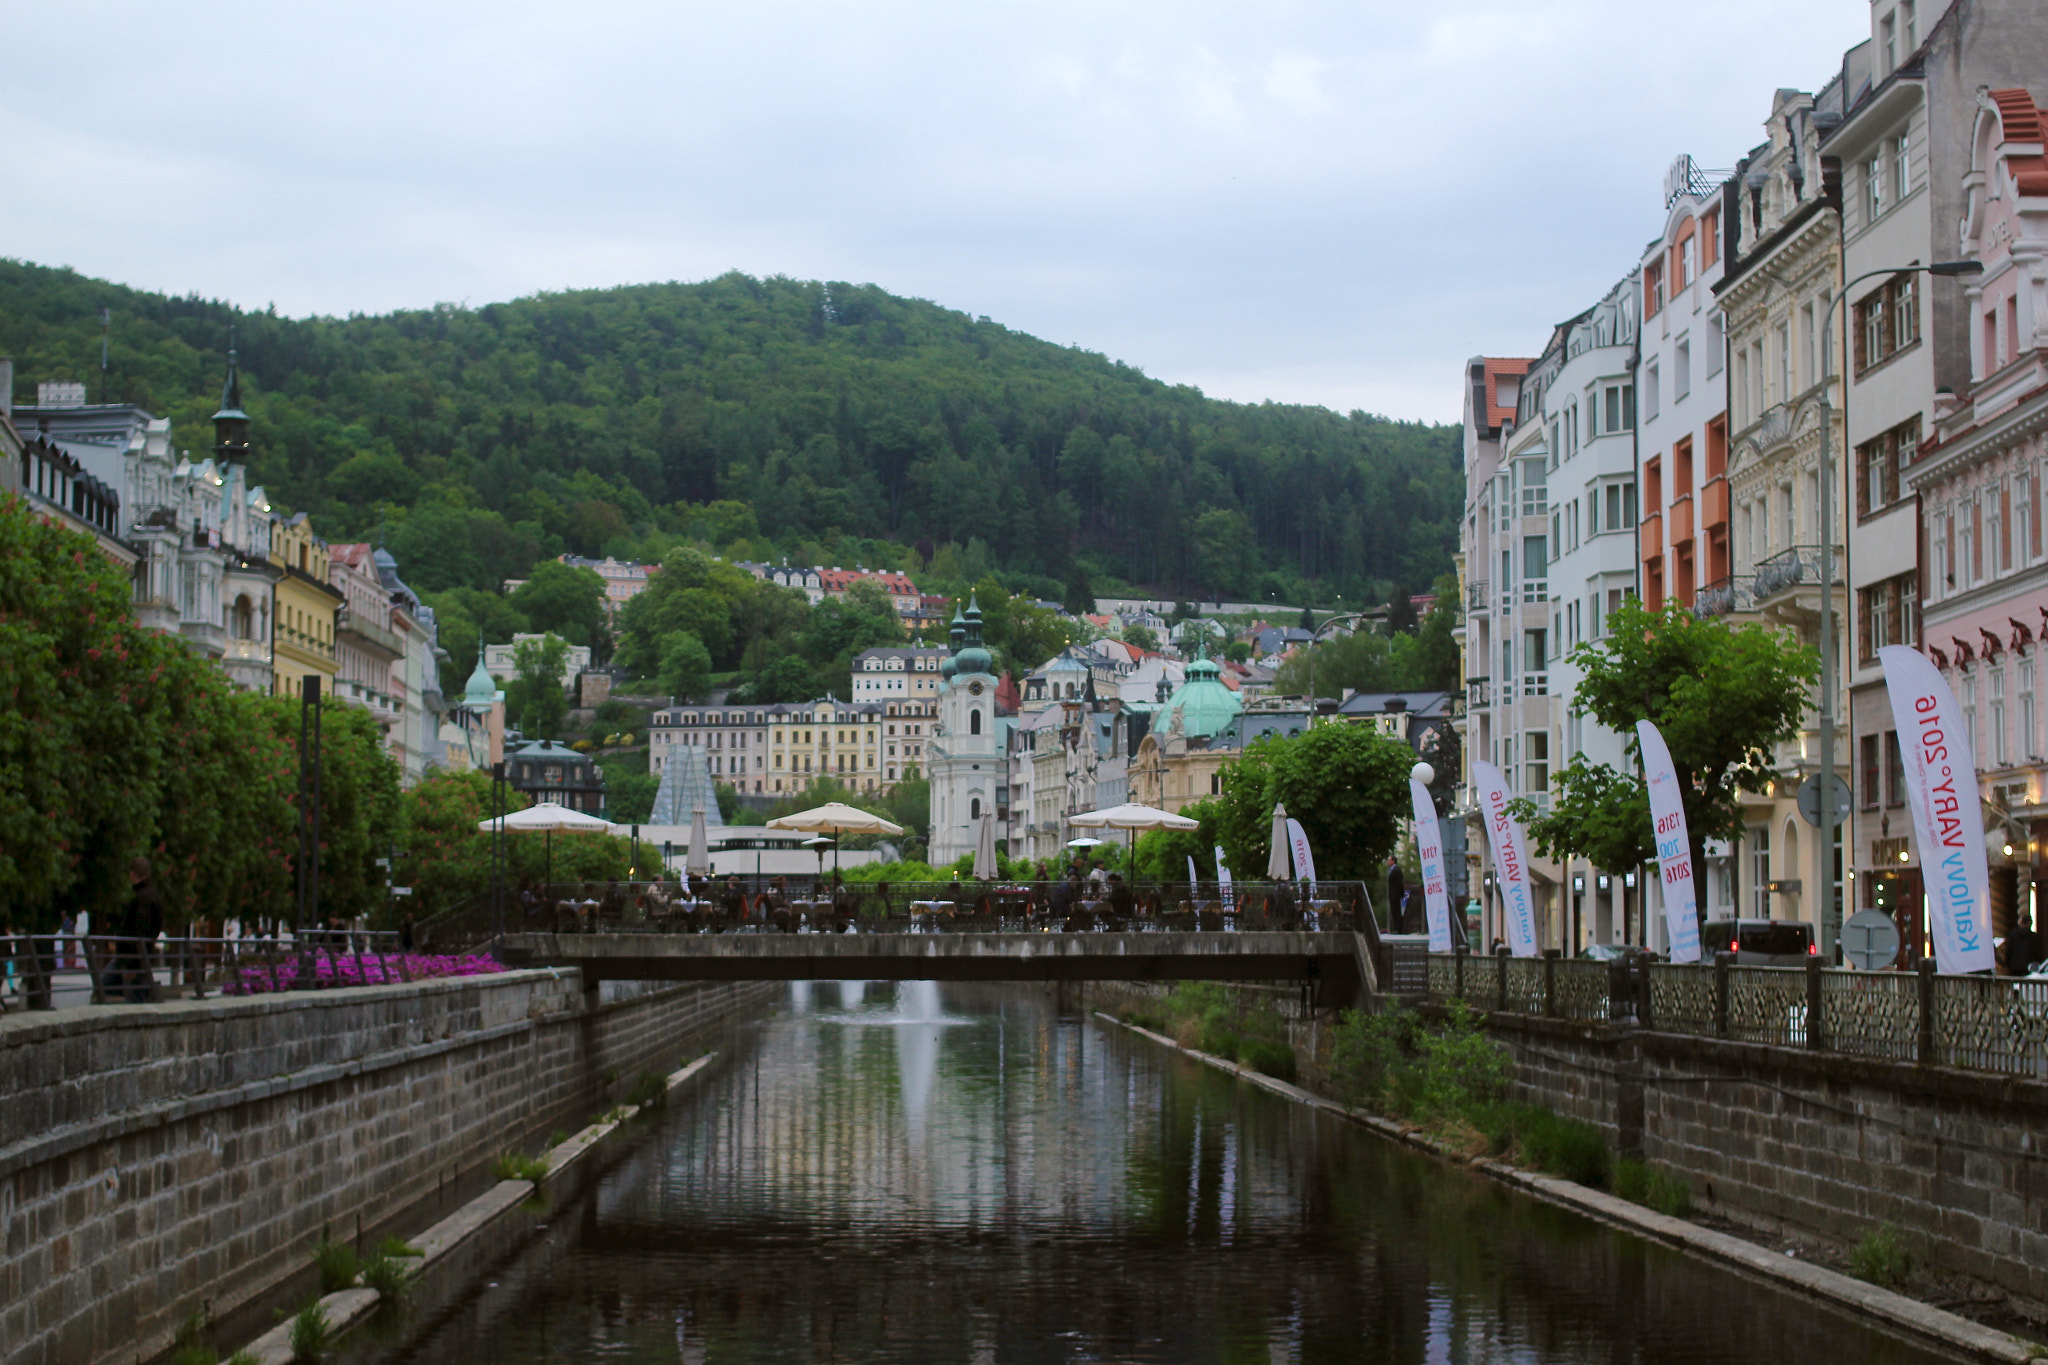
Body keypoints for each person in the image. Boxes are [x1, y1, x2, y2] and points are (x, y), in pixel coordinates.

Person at [116, 855, 164, 1003]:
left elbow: (139, 932)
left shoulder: (143, 897)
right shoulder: (153, 895)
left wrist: (131, 965)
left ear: (132, 874)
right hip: (140, 956)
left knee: (132, 996)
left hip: (134, 959)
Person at [1385, 856, 1407, 934]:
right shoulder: (1391, 870)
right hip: (1392, 894)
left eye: (1389, 860)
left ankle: (1399, 929)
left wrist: (1401, 893)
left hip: (1396, 894)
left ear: (1393, 861)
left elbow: (1399, 883)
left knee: (1397, 911)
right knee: (1394, 912)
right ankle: (1396, 928)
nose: (1388, 862)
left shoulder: (1397, 871)